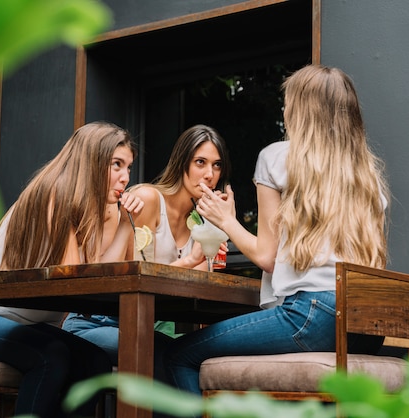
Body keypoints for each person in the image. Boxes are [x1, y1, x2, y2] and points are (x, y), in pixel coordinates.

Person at [162, 64, 391, 395]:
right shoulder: (368, 180)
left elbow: (268, 257)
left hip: (312, 316)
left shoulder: (277, 158)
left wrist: (226, 220)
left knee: (178, 355)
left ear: (300, 110)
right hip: (365, 327)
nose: (284, 109)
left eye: (288, 103)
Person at [0, 121, 144, 418]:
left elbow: (103, 275)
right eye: (116, 165)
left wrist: (125, 222)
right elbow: (74, 278)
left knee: (95, 363)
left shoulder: (95, 210)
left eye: (129, 168)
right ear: (91, 162)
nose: (125, 178)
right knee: (51, 357)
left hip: (27, 325)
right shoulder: (54, 194)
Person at [61, 123, 232, 369]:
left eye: (217, 165)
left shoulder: (199, 220)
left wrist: (214, 246)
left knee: (200, 354)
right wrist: (191, 260)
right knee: (168, 355)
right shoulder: (148, 199)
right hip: (101, 321)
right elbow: (129, 280)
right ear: (182, 163)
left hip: (145, 324)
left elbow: (198, 285)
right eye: (200, 162)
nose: (209, 174)